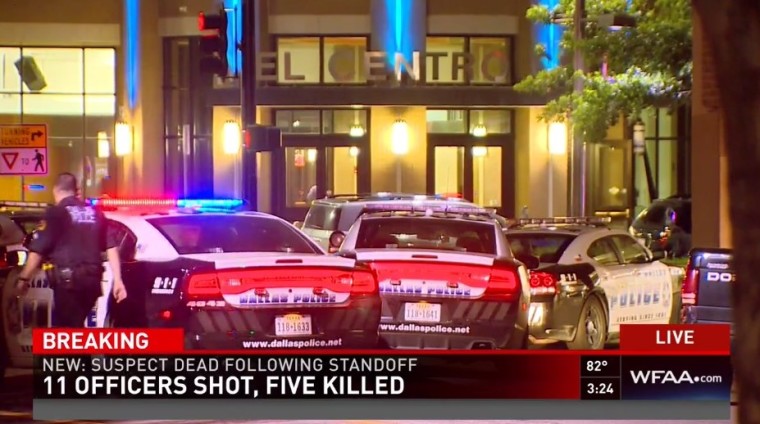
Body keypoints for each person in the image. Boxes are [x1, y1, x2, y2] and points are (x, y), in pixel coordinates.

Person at [15, 172, 127, 327]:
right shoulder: (95, 213)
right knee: (74, 326)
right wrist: (118, 280)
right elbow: (111, 246)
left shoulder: (56, 213)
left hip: (68, 283)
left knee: (68, 331)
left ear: (56, 190)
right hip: (93, 282)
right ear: (76, 190)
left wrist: (24, 278)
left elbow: (38, 249)